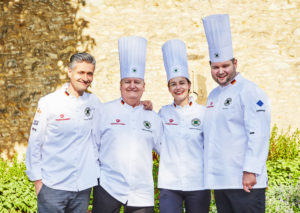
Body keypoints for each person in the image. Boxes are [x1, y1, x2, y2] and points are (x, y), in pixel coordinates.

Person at [202, 14, 271, 212]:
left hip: (246, 181)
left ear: (235, 63)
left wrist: (251, 170)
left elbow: (258, 133)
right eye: (215, 67)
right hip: (223, 181)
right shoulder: (213, 96)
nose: (220, 71)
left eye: (225, 66)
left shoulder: (249, 91)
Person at [92, 36, 163, 213]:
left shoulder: (153, 117)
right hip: (108, 188)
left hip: (141, 193)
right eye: (127, 81)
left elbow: (165, 150)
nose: (132, 86)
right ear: (120, 85)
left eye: (137, 82)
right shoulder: (104, 111)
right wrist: (96, 178)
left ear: (144, 86)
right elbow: (92, 146)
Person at [25, 53, 101, 213]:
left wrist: (139, 104)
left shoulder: (94, 103)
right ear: (69, 72)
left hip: (83, 187)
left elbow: (115, 117)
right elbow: (35, 143)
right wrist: (38, 181)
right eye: (81, 72)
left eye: (89, 73)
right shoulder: (49, 102)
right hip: (53, 186)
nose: (85, 78)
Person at [157, 39, 210, 213]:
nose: (178, 87)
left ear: (189, 85)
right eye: (173, 84)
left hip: (198, 182)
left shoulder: (203, 113)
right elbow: (156, 141)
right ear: (169, 88)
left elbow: (210, 144)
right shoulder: (163, 113)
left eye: (181, 83)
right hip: (169, 183)